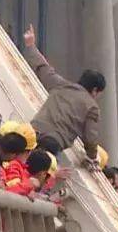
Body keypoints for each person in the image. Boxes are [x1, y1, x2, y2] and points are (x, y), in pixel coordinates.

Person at [22, 24, 104, 166]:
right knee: (51, 178)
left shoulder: (60, 85)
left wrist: (30, 46)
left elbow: (44, 68)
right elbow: (90, 138)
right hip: (51, 142)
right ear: (95, 90)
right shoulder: (92, 107)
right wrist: (92, 157)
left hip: (30, 133)